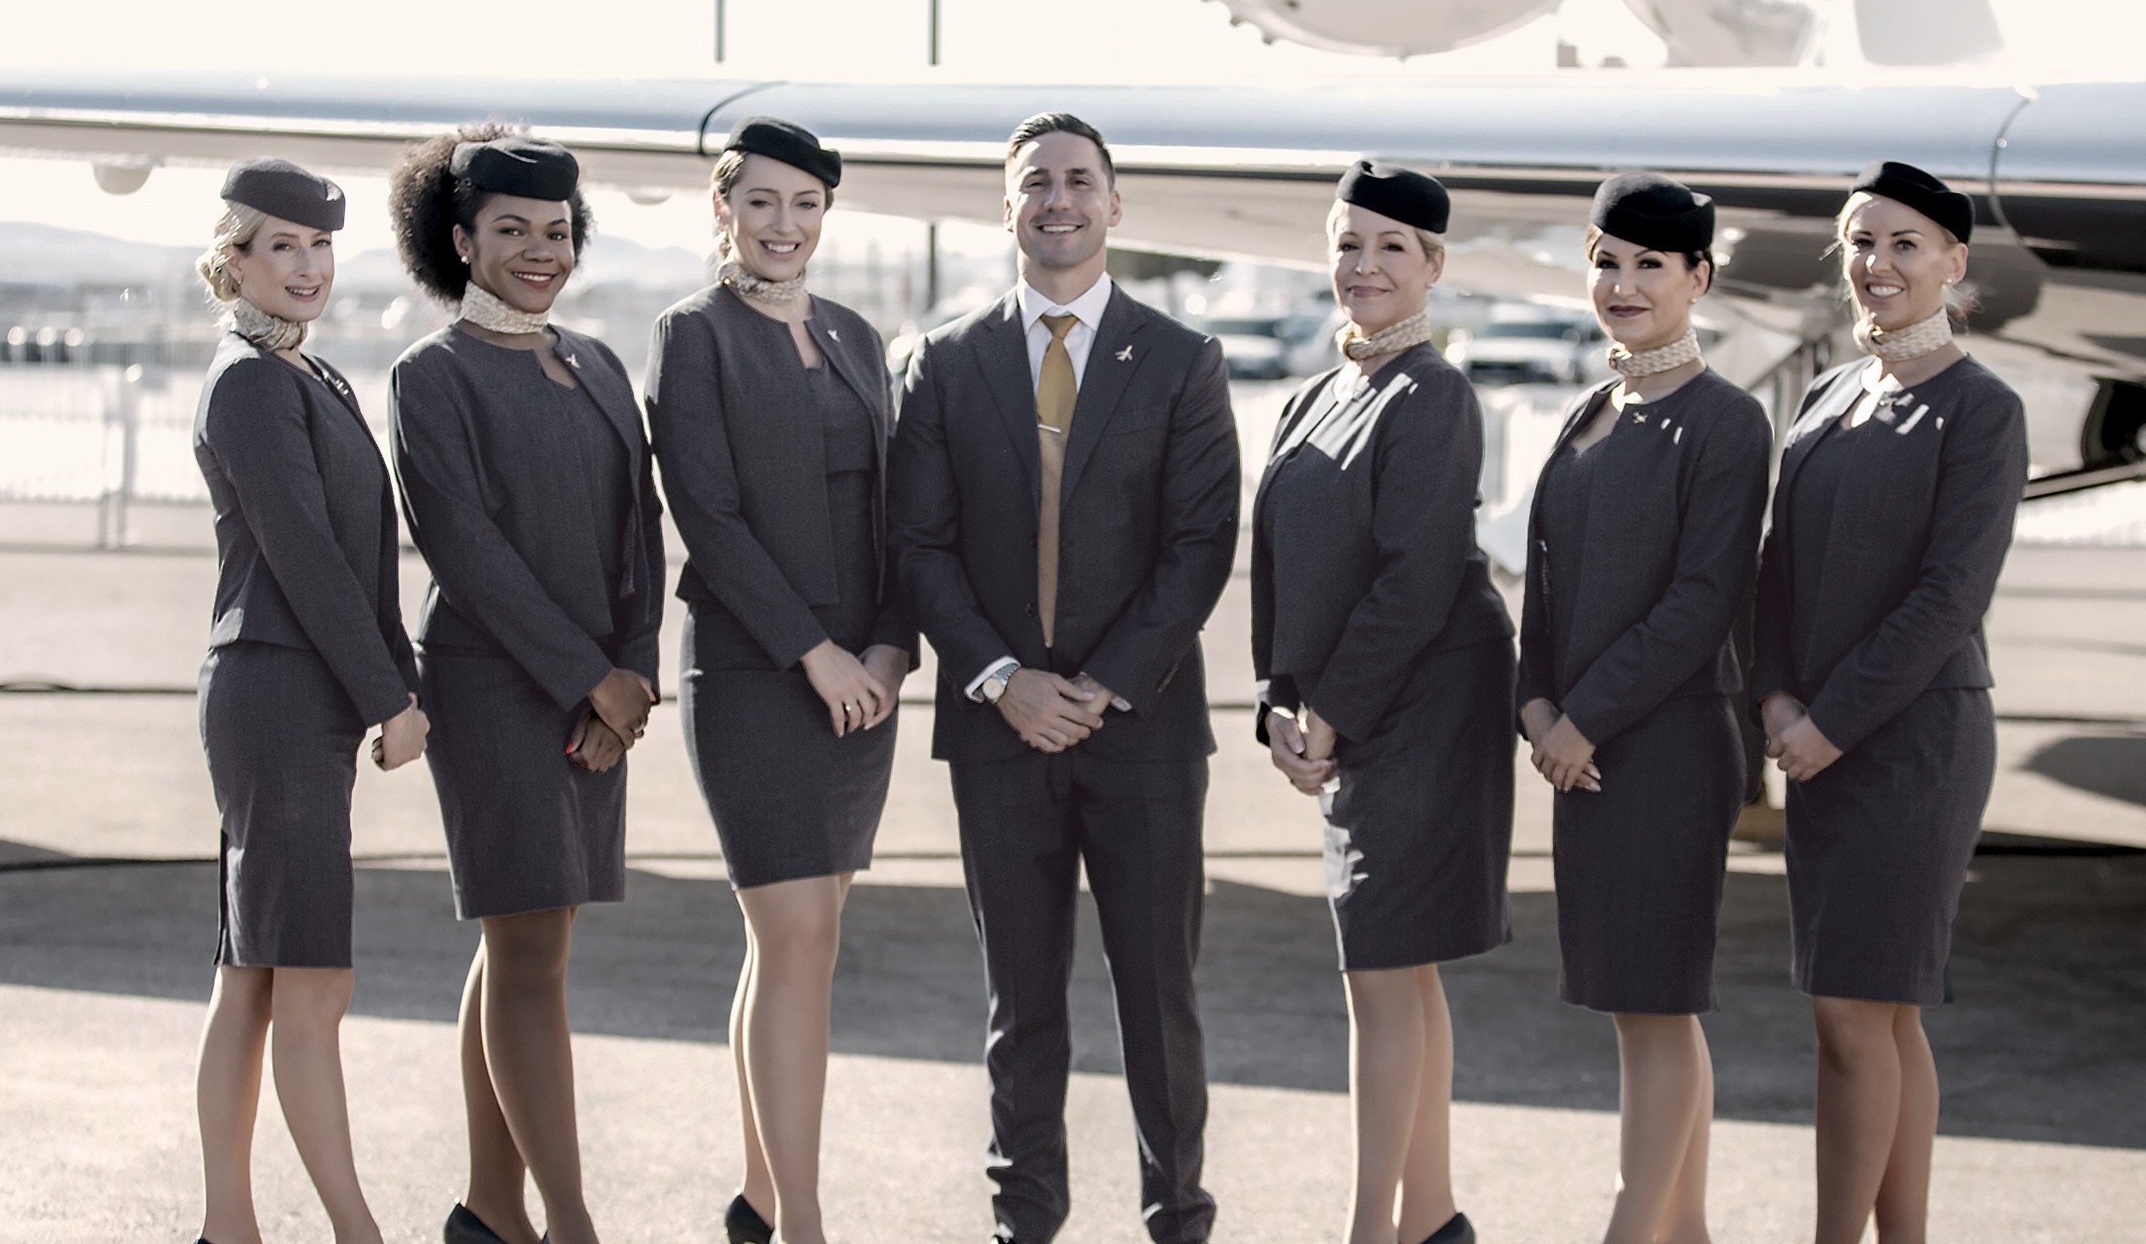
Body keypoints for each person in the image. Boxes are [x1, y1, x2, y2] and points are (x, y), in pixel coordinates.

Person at [890, 112, 1239, 1244]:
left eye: (1080, 180)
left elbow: (1201, 544)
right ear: (1007, 206)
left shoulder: (1182, 360)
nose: (1058, 199)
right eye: (1035, 181)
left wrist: (1102, 684)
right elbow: (921, 545)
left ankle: (1177, 1216)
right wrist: (1002, 677)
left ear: (1114, 204)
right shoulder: (946, 361)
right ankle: (1022, 1221)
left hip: (1139, 731)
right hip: (999, 732)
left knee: (1159, 1003)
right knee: (1021, 1007)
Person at [387, 127, 664, 1244]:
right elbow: (468, 551)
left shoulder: (598, 361)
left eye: (556, 231)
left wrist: (630, 676)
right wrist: (588, 679)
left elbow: (639, 529)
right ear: (459, 241)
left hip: (599, 688)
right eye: (511, 231)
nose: (539, 252)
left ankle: (490, 1208)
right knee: (529, 953)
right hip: (495, 688)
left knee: (522, 944)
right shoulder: (430, 375)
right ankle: (572, 1223)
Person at [644, 117, 918, 1244]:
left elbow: (904, 508)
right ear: (724, 208)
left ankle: (760, 1204)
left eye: (804, 205)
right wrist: (816, 652)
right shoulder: (692, 334)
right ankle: (804, 1219)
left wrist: (893, 649)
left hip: (866, 683)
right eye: (761, 202)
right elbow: (706, 511)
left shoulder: (857, 334)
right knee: (794, 932)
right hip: (762, 673)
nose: (783, 225)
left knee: (802, 943)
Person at [1751, 161, 2026, 1244]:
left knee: (1851, 1014)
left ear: (1955, 265)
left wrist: (1827, 721)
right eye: (1862, 243)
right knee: (1885, 1012)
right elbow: (1776, 567)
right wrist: (1775, 694)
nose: (1878, 265)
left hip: (1911, 743)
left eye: (1906, 244)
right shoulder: (1827, 392)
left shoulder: (1981, 409)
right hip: (1816, 735)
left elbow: (1950, 594)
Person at [1252, 161, 1513, 1244]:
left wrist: (1335, 711)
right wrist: (1279, 695)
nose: (1364, 266)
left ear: (1434, 267)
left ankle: (1375, 1230)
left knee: (1380, 965)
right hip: (1354, 704)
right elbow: (1281, 562)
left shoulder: (1433, 393)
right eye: (1348, 243)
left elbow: (1414, 577)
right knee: (1396, 968)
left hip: (1425, 701)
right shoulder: (1317, 391)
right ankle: (1433, 1216)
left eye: (1391, 248)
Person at [1517, 172, 1772, 1244]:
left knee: (1660, 1001)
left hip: (1663, 748)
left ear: (1698, 279)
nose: (1623, 284)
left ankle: (1634, 1228)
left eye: (1650, 265)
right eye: (1607, 261)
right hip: (1581, 747)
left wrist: (1584, 720)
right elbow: (1544, 577)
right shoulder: (1590, 408)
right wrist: (1533, 702)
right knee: (1638, 1006)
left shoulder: (1727, 422)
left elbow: (1701, 599)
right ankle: (1686, 1233)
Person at [189, 157, 424, 1244]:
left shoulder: (304, 376)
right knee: (309, 984)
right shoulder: (249, 381)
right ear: (233, 260)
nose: (307, 265)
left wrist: (387, 686)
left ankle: (229, 1226)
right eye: (281, 245)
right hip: (279, 690)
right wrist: (394, 697)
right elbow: (308, 559)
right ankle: (354, 1232)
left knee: (255, 973)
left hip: (291, 689)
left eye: (320, 245)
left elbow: (352, 557)